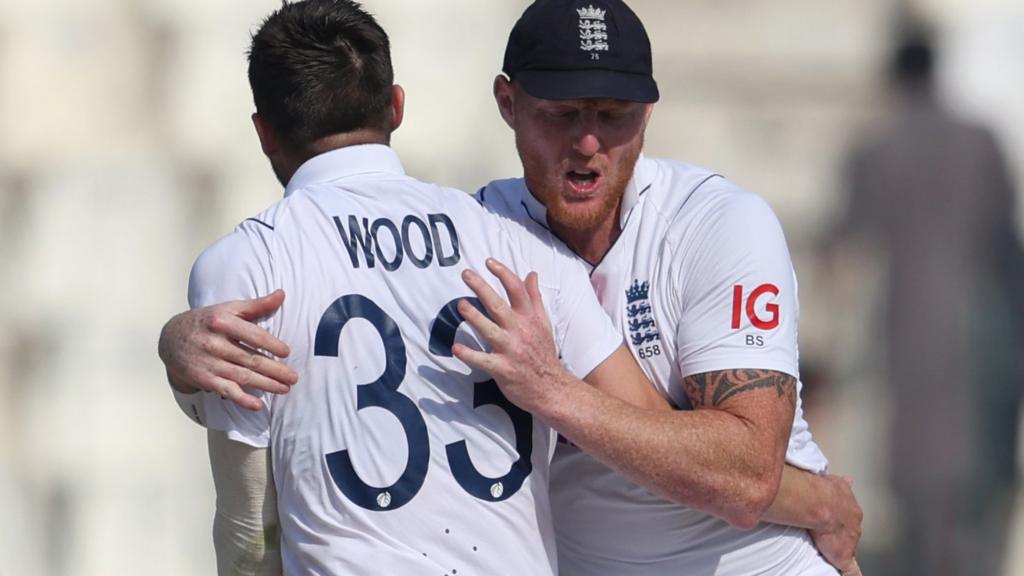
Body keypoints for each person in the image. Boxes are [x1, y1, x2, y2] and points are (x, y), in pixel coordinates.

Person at [162, 1, 864, 574]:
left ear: (649, 111)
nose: (589, 141)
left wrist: (552, 389)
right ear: (508, 102)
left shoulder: (718, 225)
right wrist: (176, 348)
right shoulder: (493, 234)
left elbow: (742, 480)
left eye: (613, 112)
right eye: (562, 113)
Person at [179, 1, 669, 573]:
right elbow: (657, 441)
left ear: (264, 132)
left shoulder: (245, 264)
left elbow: (249, 527)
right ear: (396, 107)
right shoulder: (521, 246)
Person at [833, 27, 1023, 576]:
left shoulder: (878, 148)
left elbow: (846, 235)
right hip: (983, 318)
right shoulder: (980, 138)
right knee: (975, 467)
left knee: (918, 472)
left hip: (908, 318)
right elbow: (1006, 231)